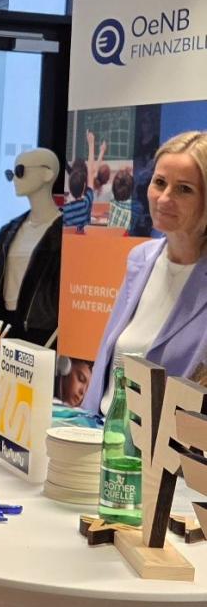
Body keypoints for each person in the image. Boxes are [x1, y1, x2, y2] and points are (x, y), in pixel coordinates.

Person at [84, 130, 207, 414]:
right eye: (159, 182)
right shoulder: (140, 259)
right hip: (101, 430)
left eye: (184, 189)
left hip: (170, 441)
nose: (164, 199)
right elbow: (106, 361)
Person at [0, 147, 62, 347]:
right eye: (11, 173)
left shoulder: (63, 234)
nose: (14, 178)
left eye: (20, 171)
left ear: (47, 174)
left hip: (41, 329)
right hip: (4, 325)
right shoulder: (9, 230)